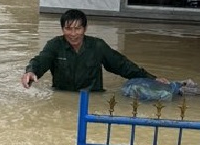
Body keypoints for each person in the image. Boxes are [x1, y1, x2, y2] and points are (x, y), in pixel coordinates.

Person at [20, 9, 169, 92]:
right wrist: (31, 72)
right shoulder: (55, 45)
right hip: (62, 97)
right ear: (62, 29)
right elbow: (40, 60)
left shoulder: (97, 46)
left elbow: (122, 65)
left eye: (77, 28)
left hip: (93, 98)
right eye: (68, 29)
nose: (73, 34)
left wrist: (151, 78)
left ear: (85, 29)